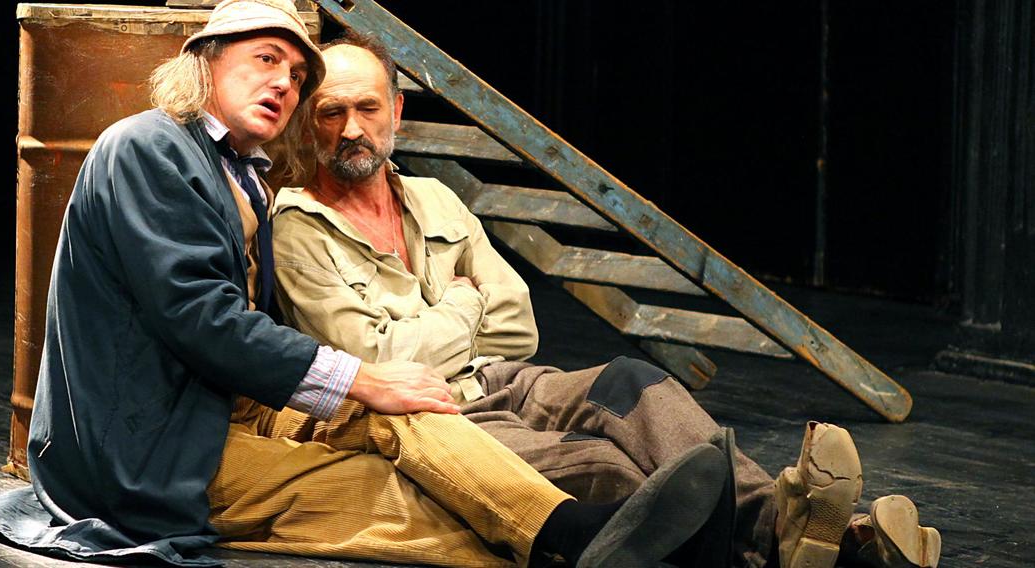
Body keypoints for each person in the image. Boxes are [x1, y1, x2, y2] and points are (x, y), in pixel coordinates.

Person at [0, 2, 742, 567]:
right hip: (145, 449)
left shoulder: (239, 175)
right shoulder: (147, 148)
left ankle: (600, 534)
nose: (282, 82)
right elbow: (200, 320)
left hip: (220, 413)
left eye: (293, 73)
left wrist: (373, 386)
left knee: (407, 409)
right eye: (263, 61)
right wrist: (366, 376)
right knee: (390, 488)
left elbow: (510, 322)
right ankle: (575, 538)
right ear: (205, 63)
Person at [270, 32, 944, 568]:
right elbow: (373, 358)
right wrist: (462, 306)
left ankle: (785, 525)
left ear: (396, 111)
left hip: (505, 378)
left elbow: (519, 324)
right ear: (308, 124)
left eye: (368, 108)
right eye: (332, 112)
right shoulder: (297, 226)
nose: (352, 128)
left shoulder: (435, 199)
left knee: (634, 384)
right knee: (605, 464)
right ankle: (837, 546)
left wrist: (438, 328)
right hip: (428, 417)